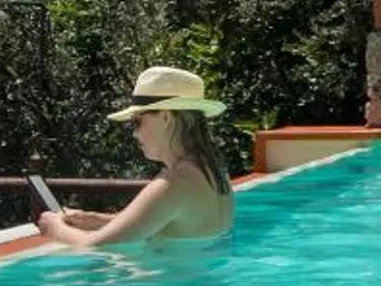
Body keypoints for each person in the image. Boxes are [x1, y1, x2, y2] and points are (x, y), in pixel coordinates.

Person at [36, 65, 237, 250]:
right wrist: (93, 219)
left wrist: (55, 228)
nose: (134, 134)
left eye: (137, 122)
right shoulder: (215, 172)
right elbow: (165, 221)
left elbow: (95, 246)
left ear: (166, 117)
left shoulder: (174, 184)